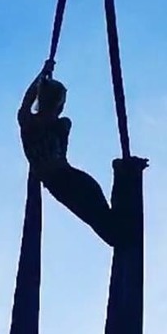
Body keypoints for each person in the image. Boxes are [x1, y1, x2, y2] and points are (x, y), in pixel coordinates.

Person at [18, 60, 120, 246]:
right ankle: (116, 233)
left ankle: (117, 229)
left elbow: (28, 100)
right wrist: (42, 76)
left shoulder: (45, 124)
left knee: (94, 198)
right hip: (58, 179)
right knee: (94, 207)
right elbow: (28, 99)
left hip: (64, 175)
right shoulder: (34, 124)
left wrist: (43, 75)